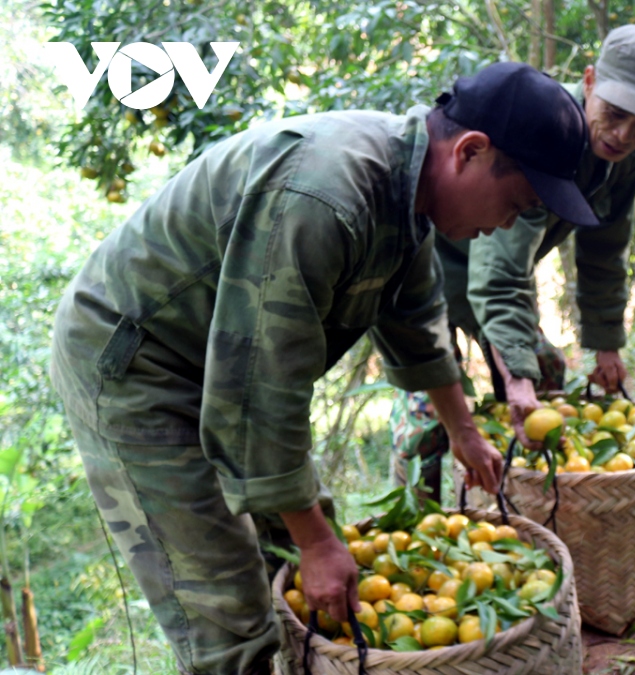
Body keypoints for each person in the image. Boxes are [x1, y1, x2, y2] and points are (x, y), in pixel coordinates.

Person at [49, 62, 597, 675]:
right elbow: (259, 388)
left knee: (309, 548)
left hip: (224, 362)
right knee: (226, 608)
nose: (508, 225)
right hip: (137, 362)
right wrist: (314, 541)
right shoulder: (324, 197)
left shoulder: (409, 196)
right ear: (470, 151)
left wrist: (465, 434)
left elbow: (417, 330)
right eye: (518, 204)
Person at [394, 25, 635, 481]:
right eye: (614, 113)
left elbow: (604, 251)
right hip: (428, 272)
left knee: (547, 375)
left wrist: (606, 342)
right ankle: (415, 521)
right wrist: (515, 375)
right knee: (430, 410)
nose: (624, 134)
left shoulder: (623, 161)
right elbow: (499, 272)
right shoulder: (545, 133)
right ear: (589, 82)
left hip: (487, 273)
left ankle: (529, 497)